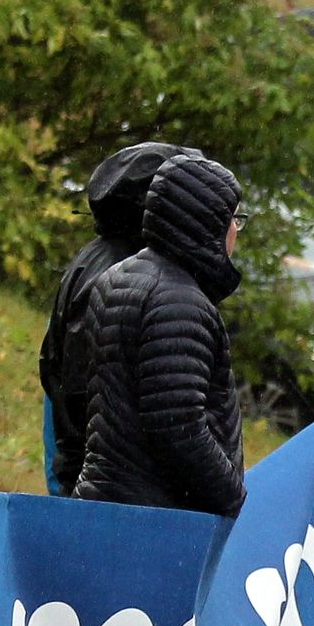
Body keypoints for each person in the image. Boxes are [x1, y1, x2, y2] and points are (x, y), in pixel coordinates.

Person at [73, 153, 248, 516]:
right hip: (156, 518)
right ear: (209, 222)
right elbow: (178, 426)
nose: (236, 232)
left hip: (107, 499)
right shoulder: (179, 301)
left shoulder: (117, 277)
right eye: (235, 220)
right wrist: (230, 493)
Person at [39, 141, 200, 497]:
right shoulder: (123, 277)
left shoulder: (98, 257)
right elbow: (87, 397)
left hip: (85, 478)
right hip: (106, 493)